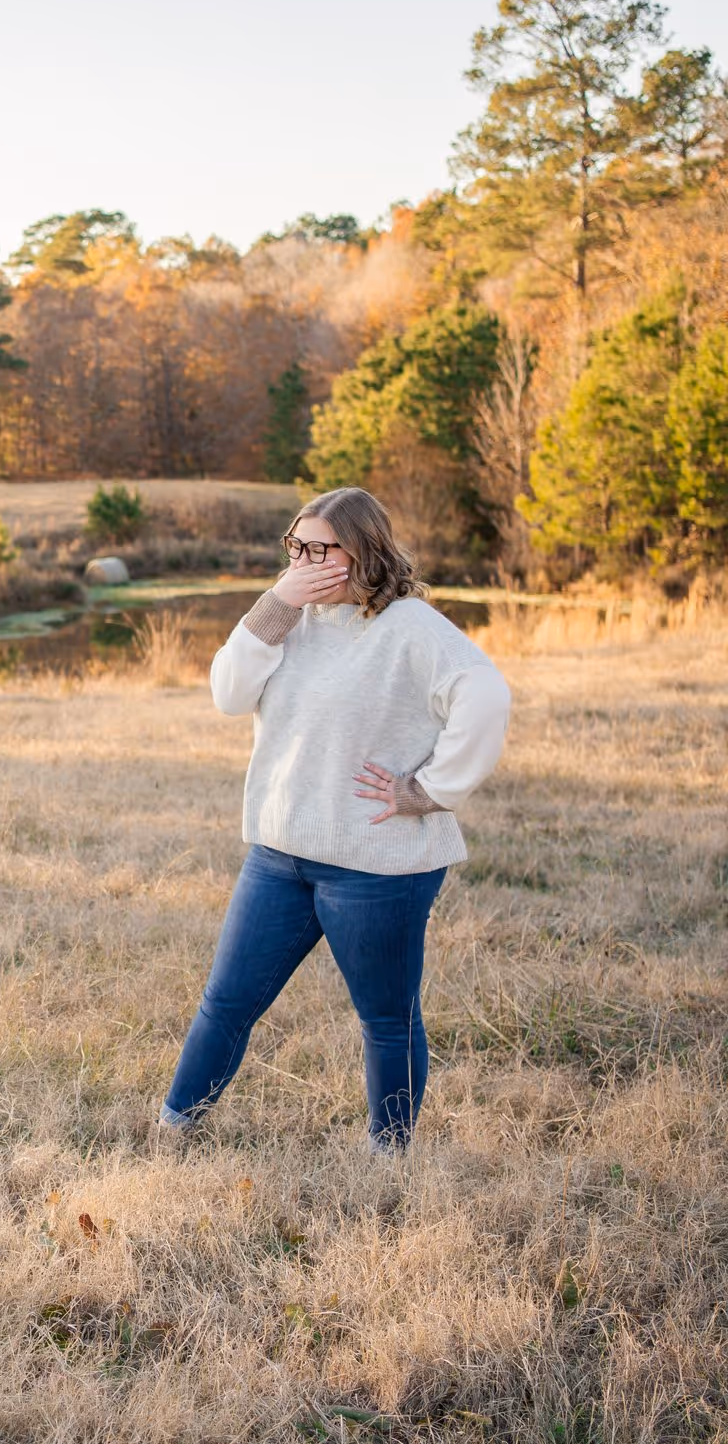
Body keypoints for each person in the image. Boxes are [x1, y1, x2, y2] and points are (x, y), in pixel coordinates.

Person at [160, 488, 510, 1151]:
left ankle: (389, 1156)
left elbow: (485, 694)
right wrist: (276, 603)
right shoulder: (290, 615)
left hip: (377, 865)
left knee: (385, 1018)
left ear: (364, 550)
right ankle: (173, 1128)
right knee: (227, 1001)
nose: (302, 561)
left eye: (321, 549)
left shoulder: (409, 626)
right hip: (281, 851)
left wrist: (431, 790)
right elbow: (228, 693)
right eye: (295, 546)